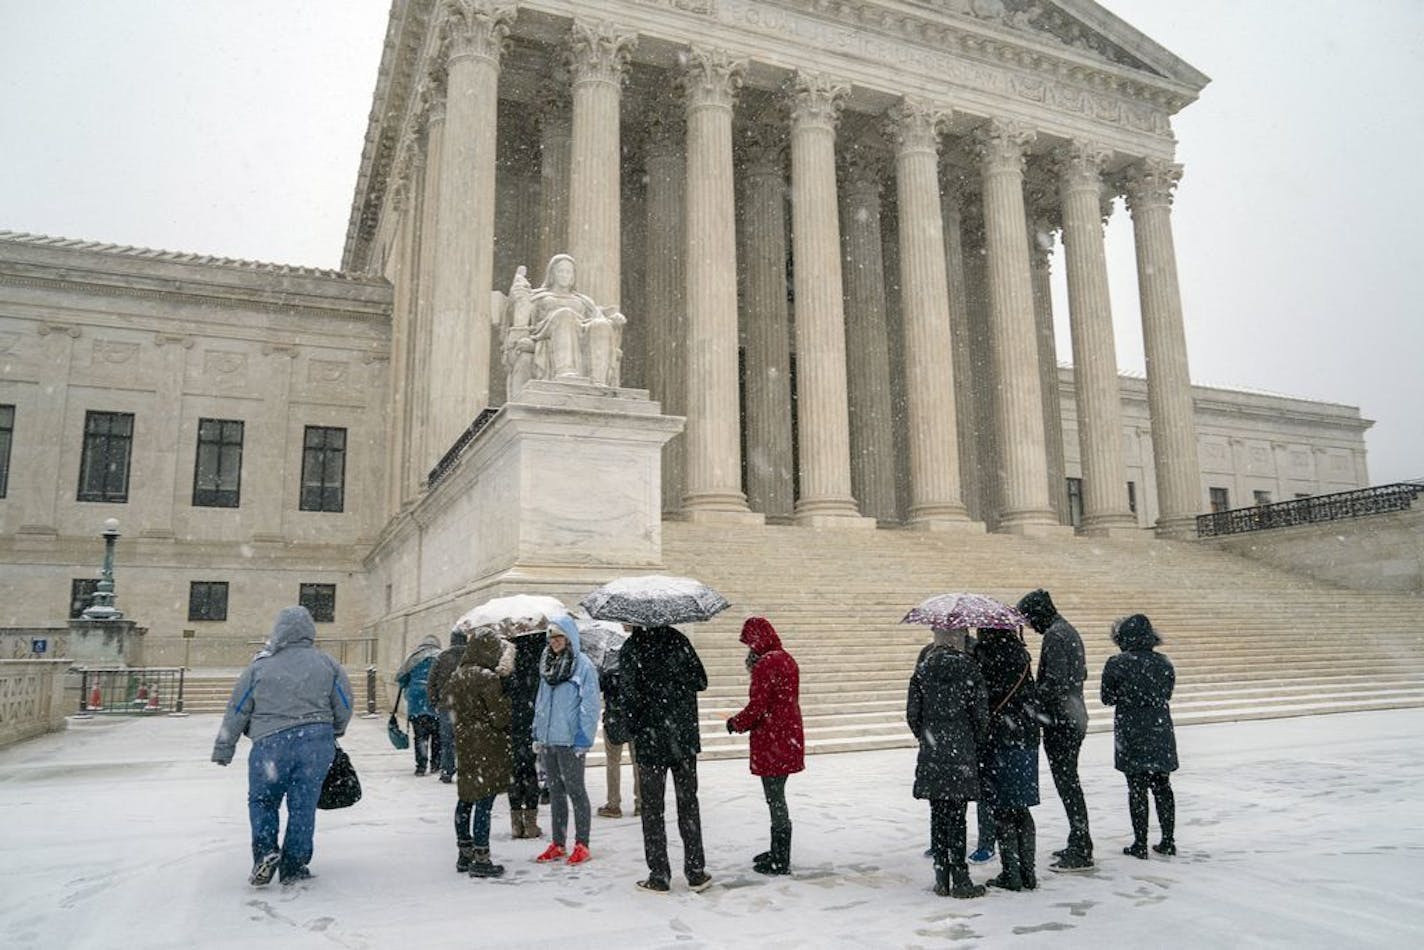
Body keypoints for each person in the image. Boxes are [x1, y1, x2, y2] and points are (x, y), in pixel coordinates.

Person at [211, 605, 352, 887]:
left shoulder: (259, 667)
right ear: (310, 630)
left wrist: (225, 747)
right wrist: (334, 728)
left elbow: (237, 708)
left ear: (278, 631)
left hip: (270, 743)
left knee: (263, 800)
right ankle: (294, 864)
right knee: (303, 805)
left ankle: (266, 852)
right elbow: (345, 703)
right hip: (315, 742)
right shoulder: (327, 663)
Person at [621, 623, 712, 893]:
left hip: (651, 742)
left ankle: (659, 873)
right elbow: (701, 681)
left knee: (652, 809)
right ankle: (695, 871)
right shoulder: (678, 640)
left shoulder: (632, 649)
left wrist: (637, 723)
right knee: (688, 804)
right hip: (683, 738)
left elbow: (629, 698)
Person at [907, 625, 990, 899]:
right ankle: (961, 878)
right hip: (962, 752)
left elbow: (912, 715)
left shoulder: (923, 670)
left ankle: (941, 878)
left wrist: (928, 736)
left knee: (938, 813)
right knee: (958, 817)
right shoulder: (970, 668)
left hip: (933, 753)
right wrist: (970, 740)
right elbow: (981, 716)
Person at [1017, 588, 1094, 871]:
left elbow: (1056, 683)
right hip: (1070, 717)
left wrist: (1032, 700)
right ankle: (1078, 839)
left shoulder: (1056, 635)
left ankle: (1082, 846)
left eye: (1029, 619)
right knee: (1069, 783)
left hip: (1063, 721)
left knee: (1068, 784)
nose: (1029, 626)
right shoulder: (1066, 631)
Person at [726, 616, 805, 876]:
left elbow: (757, 707)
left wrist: (736, 723)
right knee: (777, 795)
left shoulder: (766, 664)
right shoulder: (786, 658)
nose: (748, 647)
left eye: (749, 641)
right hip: (787, 734)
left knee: (775, 798)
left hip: (772, 738)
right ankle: (778, 851)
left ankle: (780, 858)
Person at [1101, 613, 1178, 860]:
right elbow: (1167, 693)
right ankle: (1168, 840)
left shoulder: (1116, 663)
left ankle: (1140, 842)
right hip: (1160, 730)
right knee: (1162, 786)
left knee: (1136, 788)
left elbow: (1107, 698)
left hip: (1131, 730)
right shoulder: (1164, 662)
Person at [975, 626, 1041, 891]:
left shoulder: (986, 656)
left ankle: (1011, 874)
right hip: (1026, 738)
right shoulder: (1022, 657)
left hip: (999, 739)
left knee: (1002, 809)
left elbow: (983, 698)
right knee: (1021, 808)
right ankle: (1029, 872)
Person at [531, 615, 601, 865]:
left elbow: (591, 705)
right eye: (551, 637)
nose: (555, 642)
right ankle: (558, 843)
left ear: (569, 638)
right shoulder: (547, 665)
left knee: (576, 791)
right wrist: (537, 731)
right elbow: (541, 700)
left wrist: (583, 737)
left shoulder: (582, 666)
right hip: (550, 739)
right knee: (556, 792)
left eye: (559, 637)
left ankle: (582, 843)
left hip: (571, 740)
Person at [445, 623, 513, 878]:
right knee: (484, 800)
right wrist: (507, 698)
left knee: (466, 798)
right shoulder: (487, 678)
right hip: (486, 743)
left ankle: (464, 853)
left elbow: (447, 705)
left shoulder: (457, 675)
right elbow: (499, 717)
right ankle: (482, 858)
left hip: (464, 742)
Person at [506, 628, 546, 839]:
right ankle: (530, 823)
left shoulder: (511, 657)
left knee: (515, 771)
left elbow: (504, 688)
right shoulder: (542, 657)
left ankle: (516, 822)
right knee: (530, 770)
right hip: (535, 721)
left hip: (514, 722)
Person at [597, 634, 640, 819]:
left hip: (614, 719)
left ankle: (614, 804)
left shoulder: (607, 671)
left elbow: (600, 689)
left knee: (613, 763)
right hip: (635, 719)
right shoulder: (637, 667)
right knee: (638, 762)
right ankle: (641, 802)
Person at [396, 634, 443, 776]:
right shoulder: (441, 656)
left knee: (420, 736)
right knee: (437, 736)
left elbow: (400, 677)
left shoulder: (413, 657)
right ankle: (436, 764)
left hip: (416, 703)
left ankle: (421, 767)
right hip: (435, 701)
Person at [427, 627, 468, 784]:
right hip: (467, 705)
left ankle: (447, 771)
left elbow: (431, 682)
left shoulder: (442, 657)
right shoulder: (471, 656)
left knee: (447, 741)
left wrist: (434, 702)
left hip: (446, 705)